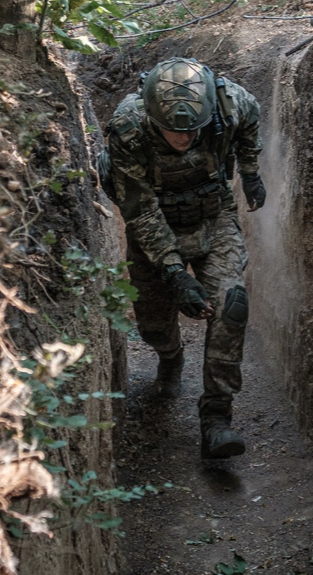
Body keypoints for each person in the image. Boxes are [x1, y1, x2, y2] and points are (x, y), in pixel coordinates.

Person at [104, 57, 265, 459]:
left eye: (191, 130)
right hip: (156, 229)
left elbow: (251, 119)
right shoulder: (129, 128)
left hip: (214, 218)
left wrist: (249, 171)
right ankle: (170, 356)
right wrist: (175, 274)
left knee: (232, 306)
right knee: (153, 324)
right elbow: (139, 209)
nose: (182, 138)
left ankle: (216, 417)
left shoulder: (230, 104)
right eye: (172, 131)